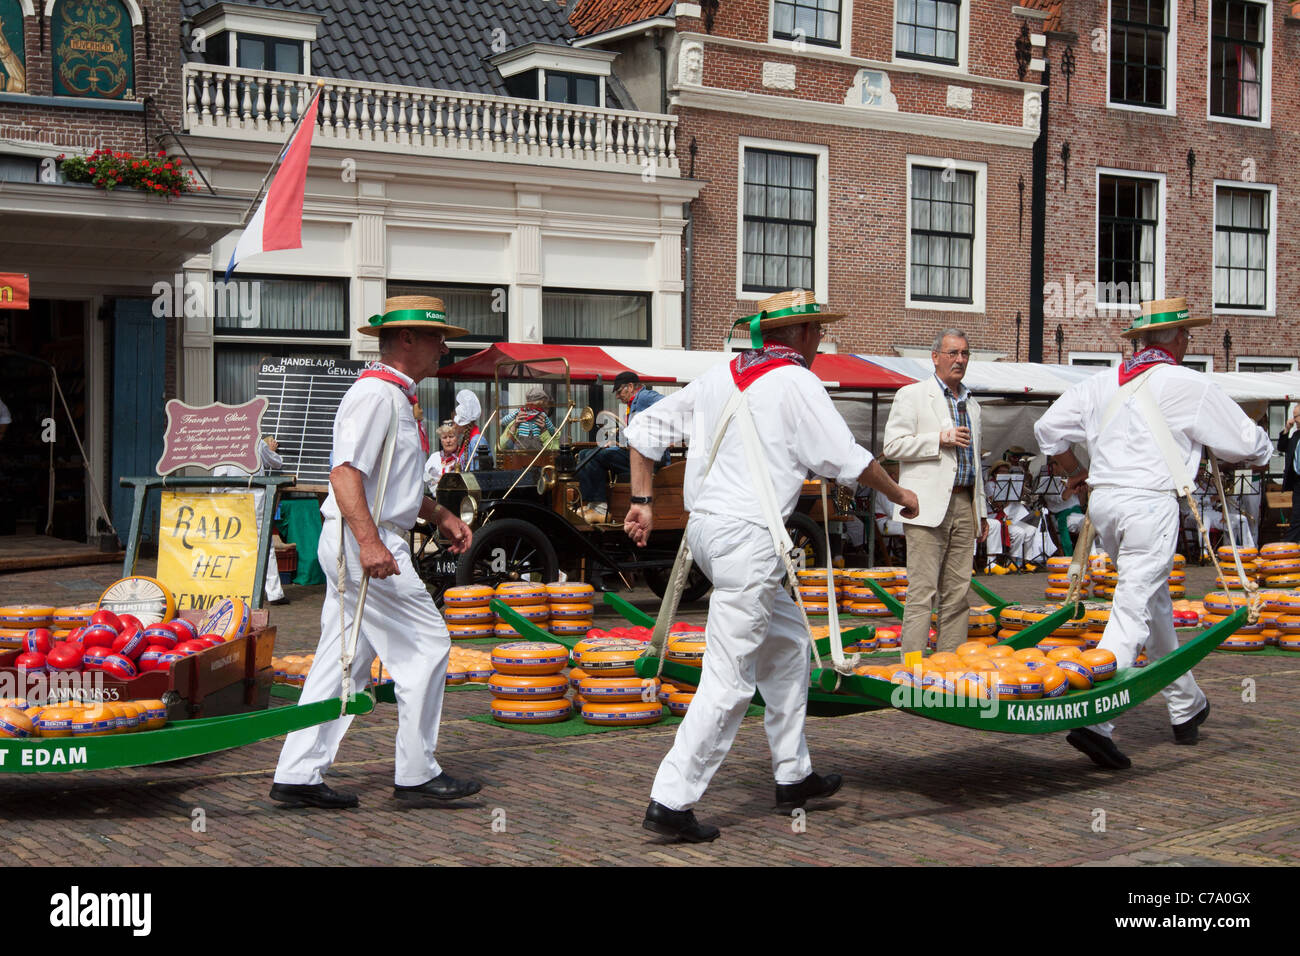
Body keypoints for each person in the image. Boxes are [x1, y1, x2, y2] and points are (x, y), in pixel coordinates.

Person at [622, 290, 919, 843]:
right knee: (728, 680)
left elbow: (643, 431)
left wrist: (641, 501)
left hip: (706, 533)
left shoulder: (721, 374)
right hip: (750, 539)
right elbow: (847, 458)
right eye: (817, 332)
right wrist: (900, 493)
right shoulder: (796, 381)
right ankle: (671, 798)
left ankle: (792, 774)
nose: (820, 343)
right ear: (802, 335)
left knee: (787, 643)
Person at [1034, 296, 1272, 770]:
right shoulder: (1188, 383)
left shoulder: (1100, 382)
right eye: (1187, 334)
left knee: (1151, 601)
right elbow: (1247, 443)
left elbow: (1046, 429)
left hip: (1106, 503)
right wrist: (1264, 451)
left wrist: (1075, 470)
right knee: (1132, 609)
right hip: (1150, 503)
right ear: (1180, 339)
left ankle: (1186, 707)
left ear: (1140, 340)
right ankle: (1094, 718)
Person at [271, 295, 480, 809]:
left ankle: (297, 773)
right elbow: (345, 474)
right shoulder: (375, 395)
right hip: (366, 540)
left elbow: (393, 484)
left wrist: (439, 515)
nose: (444, 347)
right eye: (437, 337)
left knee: (342, 662)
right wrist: (368, 543)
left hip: (363, 535)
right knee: (429, 645)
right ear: (407, 338)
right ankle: (416, 773)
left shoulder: (393, 396)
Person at [883, 329, 989, 657]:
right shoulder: (912, 395)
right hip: (926, 506)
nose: (960, 360)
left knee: (958, 594)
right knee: (922, 593)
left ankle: (948, 666)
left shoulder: (973, 406)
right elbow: (891, 445)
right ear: (935, 357)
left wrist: (980, 511)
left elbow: (975, 463)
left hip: (964, 502)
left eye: (965, 354)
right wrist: (938, 440)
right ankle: (912, 668)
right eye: (953, 353)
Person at [576, 371, 664, 524]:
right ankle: (590, 504)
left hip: (649, 459)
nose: (617, 396)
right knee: (584, 454)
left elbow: (670, 404)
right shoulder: (632, 405)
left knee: (596, 456)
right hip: (635, 454)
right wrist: (617, 442)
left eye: (618, 391)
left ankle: (600, 509)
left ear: (630, 387)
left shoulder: (644, 397)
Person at [213, 435, 290, 606]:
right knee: (264, 543)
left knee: (233, 544)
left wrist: (214, 499)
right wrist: (271, 451)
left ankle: (237, 590)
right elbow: (277, 462)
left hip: (231, 497)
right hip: (255, 495)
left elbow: (219, 476)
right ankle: (274, 593)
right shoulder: (256, 441)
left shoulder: (223, 443)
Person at [983, 459, 1037, 573]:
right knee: (1007, 528)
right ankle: (993, 563)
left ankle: (1015, 561)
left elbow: (1024, 499)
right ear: (995, 473)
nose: (1005, 474)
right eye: (1002, 471)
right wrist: (1010, 492)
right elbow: (998, 504)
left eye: (1006, 472)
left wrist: (1019, 490)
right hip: (993, 516)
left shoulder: (1008, 484)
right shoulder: (990, 484)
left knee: (1024, 530)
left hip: (1005, 518)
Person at [1039, 457, 1085, 556]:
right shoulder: (1047, 483)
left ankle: (1096, 554)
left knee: (1096, 522)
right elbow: (1063, 497)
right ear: (1052, 466)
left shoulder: (1068, 479)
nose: (1064, 467)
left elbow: (1081, 502)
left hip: (1076, 515)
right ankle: (1088, 555)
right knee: (1089, 524)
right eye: (1059, 464)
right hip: (1062, 518)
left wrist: (1082, 490)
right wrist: (1072, 487)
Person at [497, 386, 557, 451]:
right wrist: (514, 426)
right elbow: (498, 449)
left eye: (545, 408)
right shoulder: (516, 422)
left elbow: (554, 452)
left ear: (550, 411)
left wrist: (544, 431)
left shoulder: (553, 430)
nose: (537, 410)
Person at [446, 389, 486, 471]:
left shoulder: (477, 441)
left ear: (462, 423)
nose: (453, 427)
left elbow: (477, 473)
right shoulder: (467, 440)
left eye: (454, 423)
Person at [424, 421, 461, 493]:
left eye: (451, 436)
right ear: (441, 440)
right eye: (444, 437)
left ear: (457, 438)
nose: (448, 441)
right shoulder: (434, 457)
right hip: (437, 500)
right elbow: (424, 475)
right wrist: (434, 487)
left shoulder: (461, 457)